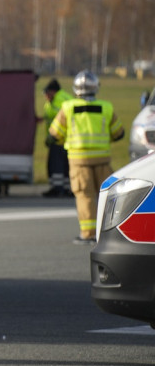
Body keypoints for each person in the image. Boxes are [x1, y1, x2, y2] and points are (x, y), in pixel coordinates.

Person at [48, 70, 125, 244]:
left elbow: (54, 134)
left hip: (79, 161)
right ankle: (112, 233)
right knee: (109, 196)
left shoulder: (68, 108)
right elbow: (119, 133)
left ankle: (89, 234)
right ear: (96, 87)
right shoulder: (106, 107)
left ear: (75, 89)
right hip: (103, 159)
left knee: (85, 196)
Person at [41, 78, 72, 198]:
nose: (45, 96)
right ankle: (67, 189)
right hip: (67, 140)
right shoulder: (60, 99)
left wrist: (53, 137)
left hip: (59, 140)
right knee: (65, 166)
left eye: (47, 93)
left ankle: (58, 189)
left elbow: (62, 121)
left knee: (56, 166)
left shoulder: (59, 101)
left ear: (53, 91)